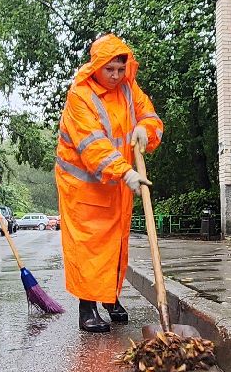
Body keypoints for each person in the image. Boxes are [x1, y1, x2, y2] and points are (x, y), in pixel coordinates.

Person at [54, 35, 163, 332]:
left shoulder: (128, 86)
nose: (115, 76)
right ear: (97, 66)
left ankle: (110, 297)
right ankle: (86, 307)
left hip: (117, 181)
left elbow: (149, 114)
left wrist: (145, 128)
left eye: (119, 69)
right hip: (85, 184)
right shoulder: (80, 95)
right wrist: (124, 171)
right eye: (109, 70)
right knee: (89, 245)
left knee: (117, 242)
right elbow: (93, 145)